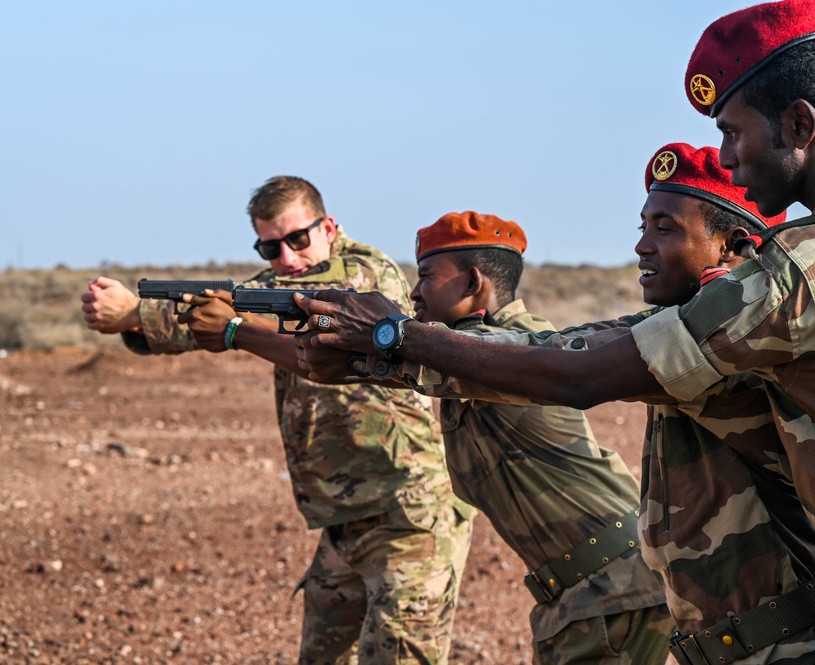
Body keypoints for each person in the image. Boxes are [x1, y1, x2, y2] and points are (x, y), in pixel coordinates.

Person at [294, 141, 815, 664]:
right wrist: (372, 355)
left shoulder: (738, 343)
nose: (642, 246)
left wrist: (393, 337)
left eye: (666, 228)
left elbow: (569, 370)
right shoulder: (680, 329)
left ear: (732, 246)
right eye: (644, 226)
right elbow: (556, 349)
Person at [80, 175, 475, 665]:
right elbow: (231, 314)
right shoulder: (278, 286)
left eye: (297, 239)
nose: (286, 258)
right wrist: (137, 319)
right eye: (270, 248)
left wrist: (142, 311)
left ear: (328, 227)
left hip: (410, 513)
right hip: (342, 519)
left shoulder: (366, 275)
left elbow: (281, 302)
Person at [397, 210, 672, 663]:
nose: (413, 291)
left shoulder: (512, 347)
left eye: (426, 276)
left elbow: (384, 360)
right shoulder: (463, 356)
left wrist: (238, 331)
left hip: (614, 586)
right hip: (586, 587)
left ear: (471, 283)